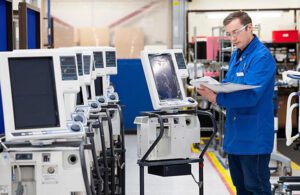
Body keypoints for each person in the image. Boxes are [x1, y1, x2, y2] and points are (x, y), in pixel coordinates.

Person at [197, 11, 276, 195]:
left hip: (253, 138)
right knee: (240, 187)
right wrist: (214, 87)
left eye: (236, 32)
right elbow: (230, 85)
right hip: (235, 137)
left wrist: (215, 98)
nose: (232, 38)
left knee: (256, 187)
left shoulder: (261, 57)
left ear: (249, 28)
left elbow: (251, 95)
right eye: (229, 34)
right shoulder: (236, 55)